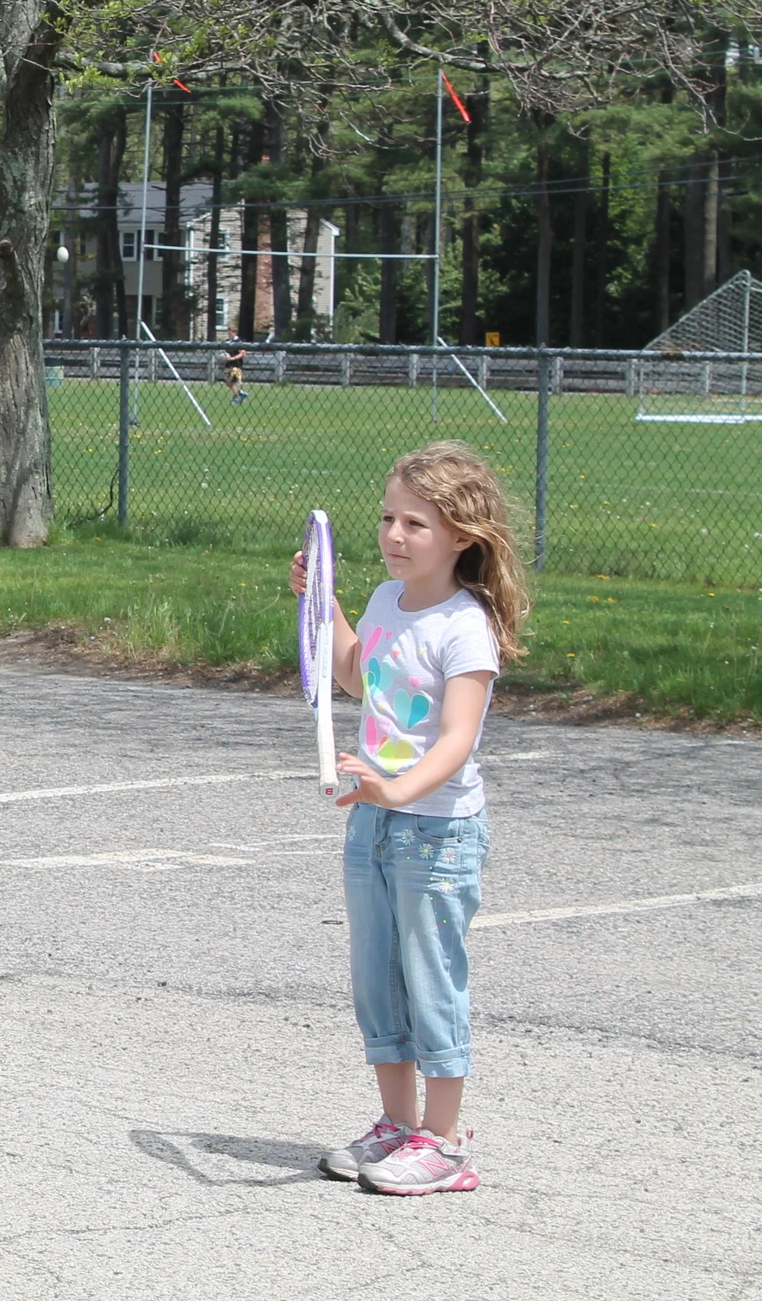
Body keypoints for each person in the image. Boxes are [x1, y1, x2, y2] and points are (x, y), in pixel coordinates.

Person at [291, 441, 529, 1197]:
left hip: (436, 831)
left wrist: (398, 790)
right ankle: (397, 1125)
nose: (394, 535)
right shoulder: (387, 601)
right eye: (388, 518)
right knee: (377, 980)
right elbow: (357, 675)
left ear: (461, 535)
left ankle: (446, 1141)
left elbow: (457, 739)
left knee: (431, 982)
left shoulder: (466, 625)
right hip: (374, 823)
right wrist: (321, 601)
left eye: (415, 524)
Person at [218, 333, 250, 404]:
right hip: (228, 365)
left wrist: (233, 358)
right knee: (228, 383)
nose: (228, 333)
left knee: (231, 381)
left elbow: (243, 353)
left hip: (236, 366)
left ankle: (235, 399)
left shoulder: (238, 341)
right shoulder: (228, 341)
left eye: (229, 331)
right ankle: (241, 393)